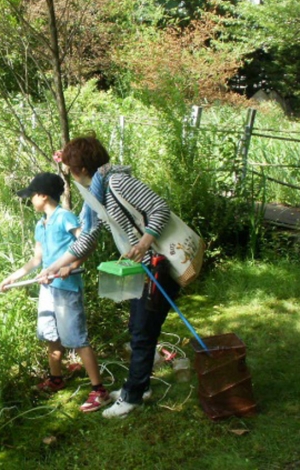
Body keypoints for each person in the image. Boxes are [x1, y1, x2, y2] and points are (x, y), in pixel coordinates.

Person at [40, 136, 172, 418]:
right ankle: (139, 386)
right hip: (143, 267)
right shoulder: (96, 195)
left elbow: (160, 208)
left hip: (159, 264)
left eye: (72, 170)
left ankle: (133, 396)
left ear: (83, 169)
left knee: (141, 330)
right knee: (140, 329)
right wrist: (53, 267)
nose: (70, 177)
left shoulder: (117, 183)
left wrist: (145, 242)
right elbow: (86, 239)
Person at [0, 172, 112, 413]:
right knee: (50, 333)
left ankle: (99, 391)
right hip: (47, 288)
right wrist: (14, 276)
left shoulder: (64, 217)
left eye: (31, 195)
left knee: (76, 336)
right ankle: (56, 378)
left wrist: (71, 266)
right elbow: (36, 259)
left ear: (43, 195)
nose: (30, 200)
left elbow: (86, 242)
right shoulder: (40, 224)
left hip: (66, 288)